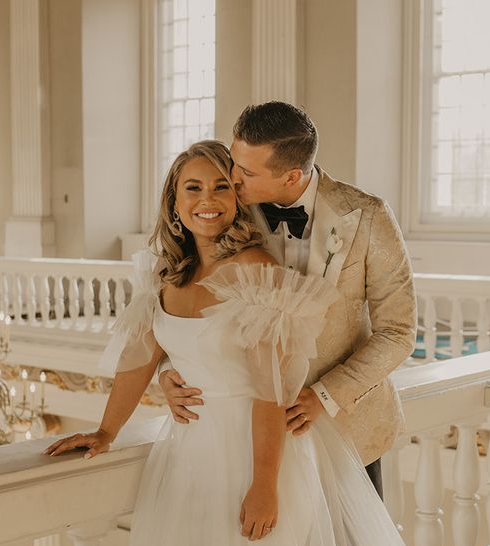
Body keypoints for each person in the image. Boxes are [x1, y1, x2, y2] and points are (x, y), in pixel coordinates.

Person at [45, 139, 487, 546]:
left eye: (221, 187)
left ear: (237, 198)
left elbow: (267, 390)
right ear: (173, 199)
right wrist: (106, 432)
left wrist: (262, 486)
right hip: (188, 459)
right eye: (193, 187)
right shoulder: (164, 275)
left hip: (259, 453)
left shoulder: (256, 272)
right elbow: (139, 359)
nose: (207, 198)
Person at [157, 101, 416, 498]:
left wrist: (325, 396)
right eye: (234, 161)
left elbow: (398, 332)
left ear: (292, 175)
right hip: (246, 433)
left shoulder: (367, 216)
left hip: (343, 427)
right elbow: (186, 293)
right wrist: (170, 372)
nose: (231, 177)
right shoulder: (224, 209)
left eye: (245, 171)